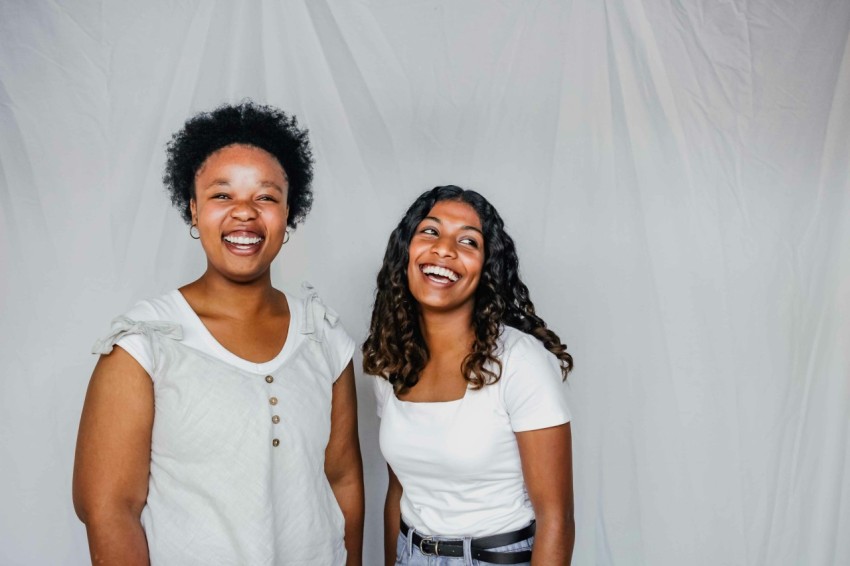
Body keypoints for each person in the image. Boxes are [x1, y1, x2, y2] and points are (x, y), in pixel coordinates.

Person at [72, 101, 364, 565]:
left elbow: (343, 479)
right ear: (193, 209)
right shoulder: (145, 344)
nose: (244, 213)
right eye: (221, 195)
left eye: (266, 197)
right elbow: (108, 508)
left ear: (289, 214)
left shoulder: (324, 339)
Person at [363, 185, 574, 565]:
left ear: (487, 269)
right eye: (430, 231)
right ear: (405, 252)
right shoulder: (392, 362)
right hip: (412, 553)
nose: (444, 249)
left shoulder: (520, 362)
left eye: (468, 241)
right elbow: (400, 490)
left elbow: (556, 518)